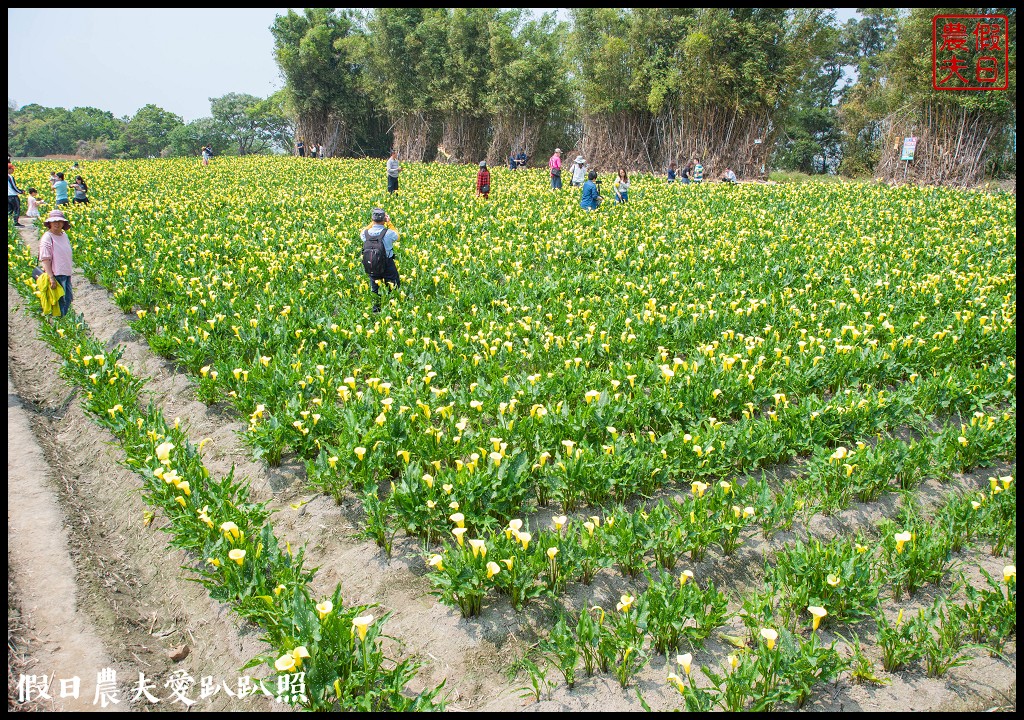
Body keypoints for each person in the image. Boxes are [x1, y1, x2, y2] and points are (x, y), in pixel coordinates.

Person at [360, 207, 401, 313]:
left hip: (372, 263)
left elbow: (363, 231)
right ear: (384, 220)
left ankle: (376, 311)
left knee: (375, 289)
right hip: (387, 263)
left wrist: (373, 222)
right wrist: (389, 222)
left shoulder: (365, 233)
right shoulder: (388, 233)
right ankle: (393, 310)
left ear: (372, 219)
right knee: (393, 286)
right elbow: (397, 236)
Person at [39, 209, 74, 317]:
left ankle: (61, 321)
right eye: (54, 221)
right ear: (49, 223)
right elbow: (45, 259)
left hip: (66, 273)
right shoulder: (47, 237)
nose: (57, 224)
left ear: (63, 223)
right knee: (60, 301)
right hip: (56, 274)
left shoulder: (64, 235)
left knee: (68, 298)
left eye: (59, 221)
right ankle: (58, 323)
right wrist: (51, 277)